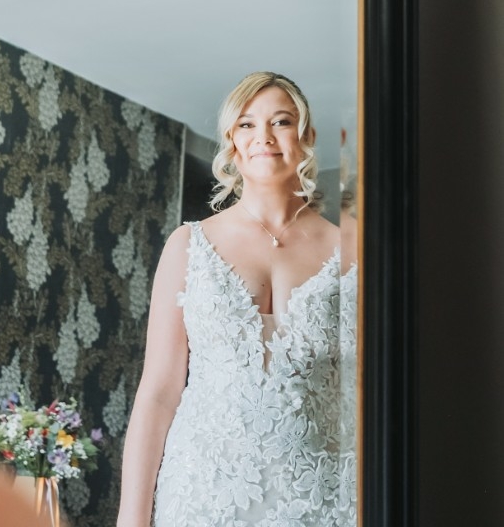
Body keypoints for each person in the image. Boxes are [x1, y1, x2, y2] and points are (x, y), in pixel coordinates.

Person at [116, 71, 357, 527]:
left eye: (281, 121)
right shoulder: (188, 246)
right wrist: (132, 516)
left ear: (306, 136)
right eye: (247, 124)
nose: (263, 137)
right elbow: (159, 393)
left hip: (323, 497)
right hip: (204, 494)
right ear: (230, 140)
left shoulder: (351, 249)